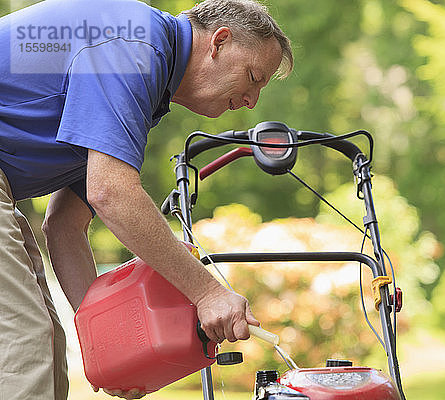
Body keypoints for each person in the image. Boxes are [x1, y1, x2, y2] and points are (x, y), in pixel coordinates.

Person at [0, 0, 293, 398]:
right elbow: (112, 193)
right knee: (24, 344)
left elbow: (65, 227)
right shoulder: (134, 44)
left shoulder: (145, 77)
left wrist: (109, 342)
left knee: (45, 347)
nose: (252, 102)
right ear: (219, 42)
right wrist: (207, 292)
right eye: (254, 77)